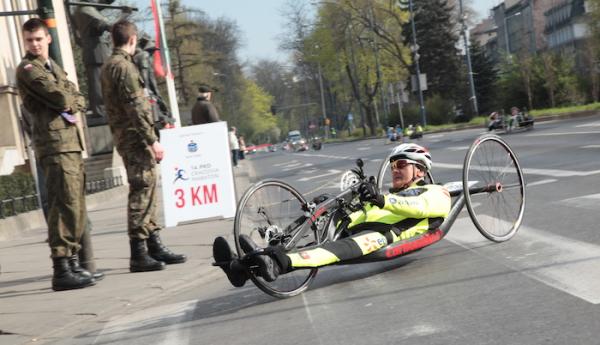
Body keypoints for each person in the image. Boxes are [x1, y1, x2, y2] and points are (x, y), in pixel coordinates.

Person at [213, 143, 451, 287]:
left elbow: (417, 207)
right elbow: (368, 209)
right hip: (354, 227)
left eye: (401, 164)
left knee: (331, 251)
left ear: (419, 170)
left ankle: (276, 262)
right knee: (320, 212)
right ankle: (240, 268)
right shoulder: (388, 194)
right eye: (393, 166)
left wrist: (380, 199)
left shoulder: (436, 192)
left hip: (381, 236)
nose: (395, 170)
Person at [16, 18, 97, 291]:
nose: (34, 44)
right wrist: (72, 98)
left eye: (38, 39)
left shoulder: (53, 67)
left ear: (48, 38)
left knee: (75, 205)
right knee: (63, 206)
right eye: (29, 40)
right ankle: (61, 268)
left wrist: (73, 98)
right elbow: (64, 98)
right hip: (53, 146)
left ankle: (73, 262)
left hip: (69, 144)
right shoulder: (28, 69)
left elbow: (78, 97)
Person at [100, 20, 186, 272]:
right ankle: (139, 252)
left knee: (148, 189)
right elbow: (136, 108)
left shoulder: (108, 66)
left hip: (126, 136)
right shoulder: (124, 67)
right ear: (133, 39)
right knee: (142, 189)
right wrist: (152, 140)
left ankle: (153, 244)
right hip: (135, 138)